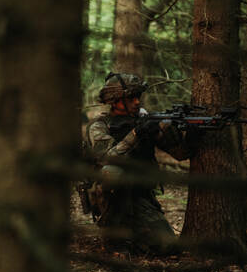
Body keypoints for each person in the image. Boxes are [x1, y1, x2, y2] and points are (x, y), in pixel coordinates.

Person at [82, 73, 195, 255]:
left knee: (168, 247)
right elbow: (107, 158)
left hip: (140, 196)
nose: (137, 102)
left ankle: (134, 236)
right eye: (131, 98)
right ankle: (113, 240)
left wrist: (188, 133)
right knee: (113, 171)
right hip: (109, 199)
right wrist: (136, 134)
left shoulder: (144, 121)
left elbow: (181, 154)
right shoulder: (99, 126)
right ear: (115, 100)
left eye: (138, 97)